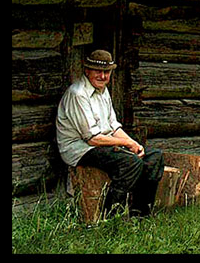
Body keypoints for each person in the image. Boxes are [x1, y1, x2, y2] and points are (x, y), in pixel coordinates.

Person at [56, 49, 163, 218]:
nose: (103, 76)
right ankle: (111, 216)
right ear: (87, 71)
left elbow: (114, 127)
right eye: (98, 71)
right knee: (130, 163)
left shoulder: (103, 91)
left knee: (153, 157)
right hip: (79, 149)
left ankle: (140, 213)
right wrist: (127, 144)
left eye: (107, 72)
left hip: (101, 143)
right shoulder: (78, 94)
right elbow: (92, 138)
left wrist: (135, 144)